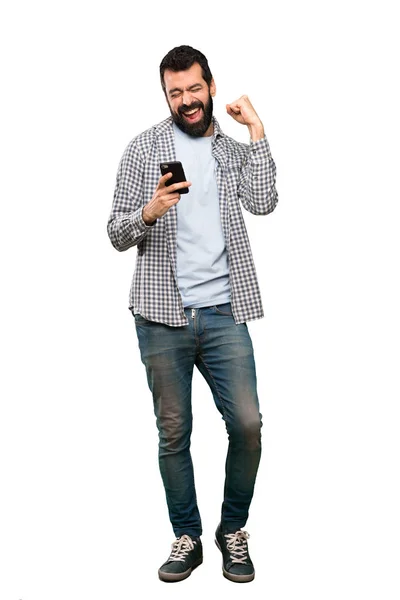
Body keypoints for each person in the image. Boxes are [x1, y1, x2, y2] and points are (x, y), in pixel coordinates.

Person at [107, 45, 278, 583]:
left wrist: (257, 133)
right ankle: (188, 537)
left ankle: (233, 532)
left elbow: (265, 202)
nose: (186, 100)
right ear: (167, 95)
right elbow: (115, 232)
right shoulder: (143, 149)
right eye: (174, 91)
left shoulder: (229, 151)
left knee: (247, 426)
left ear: (210, 86)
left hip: (226, 311)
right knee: (173, 433)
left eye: (193, 88)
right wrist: (149, 211)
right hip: (162, 316)